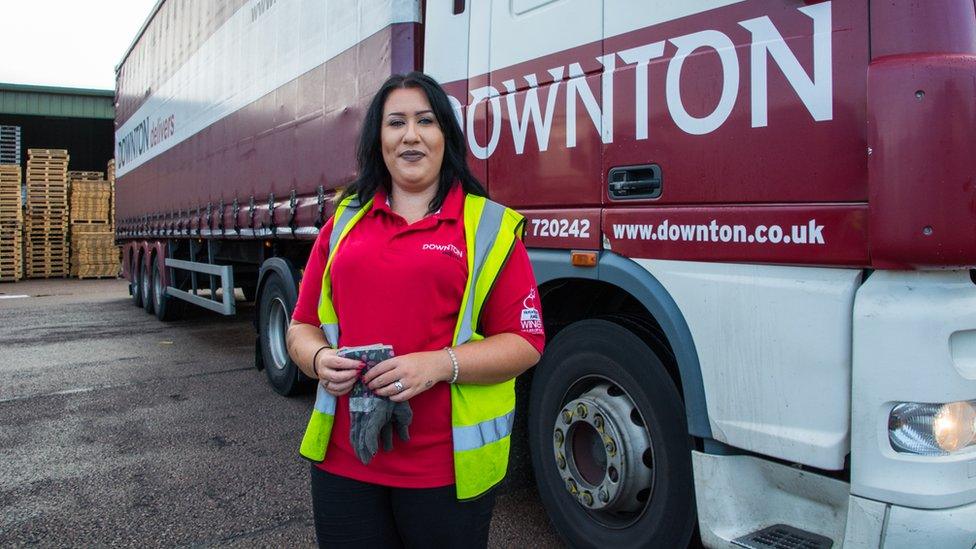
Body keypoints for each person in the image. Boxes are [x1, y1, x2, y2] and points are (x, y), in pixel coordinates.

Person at [286, 71, 545, 548]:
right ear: (377, 139)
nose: (410, 135)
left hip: (443, 472)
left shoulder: (486, 226)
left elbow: (525, 343)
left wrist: (437, 366)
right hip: (345, 465)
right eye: (395, 122)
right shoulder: (345, 220)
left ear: (445, 135)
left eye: (425, 121)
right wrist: (320, 360)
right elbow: (302, 324)